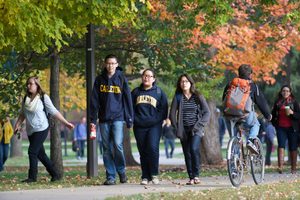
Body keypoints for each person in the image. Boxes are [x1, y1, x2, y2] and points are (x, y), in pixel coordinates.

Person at [14, 76, 74, 183]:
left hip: (42, 128)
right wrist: (17, 124)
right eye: (27, 84)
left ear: (37, 85)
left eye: (31, 84)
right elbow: (23, 114)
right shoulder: (26, 99)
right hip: (31, 130)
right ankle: (55, 174)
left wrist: (66, 123)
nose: (28, 86)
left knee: (32, 152)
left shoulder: (43, 97)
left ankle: (32, 177)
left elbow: (54, 111)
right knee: (41, 154)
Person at [90, 54, 133, 185]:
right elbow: (94, 101)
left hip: (118, 117)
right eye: (108, 63)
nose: (110, 66)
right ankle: (111, 176)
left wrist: (130, 118)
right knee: (106, 148)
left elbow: (127, 99)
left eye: (113, 63)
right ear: (105, 64)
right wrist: (93, 119)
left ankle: (121, 171)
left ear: (116, 64)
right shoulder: (99, 80)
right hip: (103, 119)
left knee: (118, 145)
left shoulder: (121, 79)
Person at [170, 74, 211, 185]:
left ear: (191, 83)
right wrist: (176, 127)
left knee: (193, 149)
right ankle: (191, 177)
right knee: (187, 153)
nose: (184, 83)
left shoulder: (198, 96)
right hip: (183, 129)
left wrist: (199, 125)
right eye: (182, 81)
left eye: (186, 81)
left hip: (196, 129)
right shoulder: (178, 97)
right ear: (180, 84)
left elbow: (207, 112)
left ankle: (196, 175)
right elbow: (172, 114)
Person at [223, 64, 272, 154]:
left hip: (229, 115)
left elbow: (224, 99)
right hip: (245, 115)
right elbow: (261, 102)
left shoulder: (230, 84)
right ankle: (251, 140)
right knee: (256, 124)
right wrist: (268, 115)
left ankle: (235, 161)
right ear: (250, 75)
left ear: (238, 74)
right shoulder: (252, 86)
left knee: (235, 138)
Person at [131, 69, 168, 185]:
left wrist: (155, 120)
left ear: (153, 79)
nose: (146, 78)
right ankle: (145, 176)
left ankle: (154, 174)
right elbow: (130, 109)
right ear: (142, 77)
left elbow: (164, 109)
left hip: (154, 126)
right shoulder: (136, 92)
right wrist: (136, 120)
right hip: (139, 126)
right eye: (144, 76)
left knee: (152, 148)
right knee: (143, 151)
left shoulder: (158, 92)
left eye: (149, 76)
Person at [271, 85, 300, 174]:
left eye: (287, 91)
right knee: (281, 145)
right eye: (283, 91)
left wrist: (292, 113)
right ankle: (280, 167)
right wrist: (275, 125)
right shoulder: (278, 102)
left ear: (290, 92)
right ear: (281, 92)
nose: (285, 92)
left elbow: (298, 115)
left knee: (293, 147)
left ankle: (293, 168)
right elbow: (273, 114)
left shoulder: (294, 102)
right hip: (281, 128)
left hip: (292, 128)